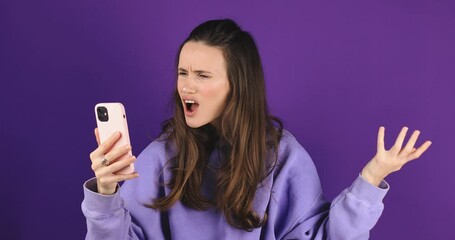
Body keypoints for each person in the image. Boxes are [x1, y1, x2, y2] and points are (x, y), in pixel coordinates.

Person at [82, 19, 432, 240]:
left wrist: (371, 179)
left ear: (238, 84)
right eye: (182, 72)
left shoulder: (283, 157)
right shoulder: (159, 157)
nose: (186, 87)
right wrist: (106, 194)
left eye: (202, 75)